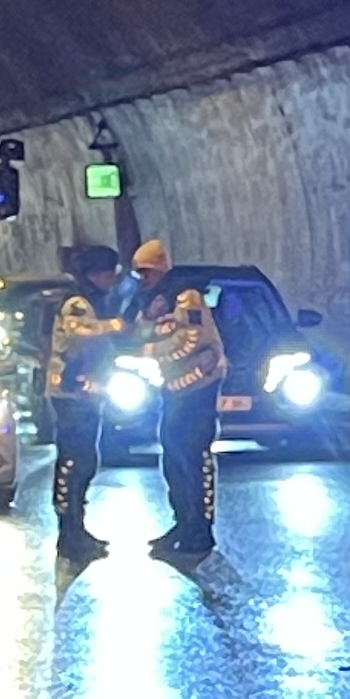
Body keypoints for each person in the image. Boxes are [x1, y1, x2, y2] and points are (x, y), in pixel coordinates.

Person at [135, 236, 228, 560]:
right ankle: (183, 522)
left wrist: (149, 350)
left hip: (198, 388)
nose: (142, 279)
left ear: (160, 270)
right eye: (138, 274)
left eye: (146, 272)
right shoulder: (154, 302)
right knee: (173, 457)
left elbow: (191, 339)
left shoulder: (188, 299)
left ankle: (200, 530)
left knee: (194, 457)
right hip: (174, 389)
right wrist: (148, 323)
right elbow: (138, 332)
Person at [45, 244, 131, 558]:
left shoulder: (94, 300)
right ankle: (69, 532)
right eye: (109, 273)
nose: (112, 280)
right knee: (73, 462)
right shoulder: (77, 303)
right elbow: (79, 332)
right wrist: (117, 325)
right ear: (95, 274)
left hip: (86, 392)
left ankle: (77, 528)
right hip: (71, 393)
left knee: (85, 462)